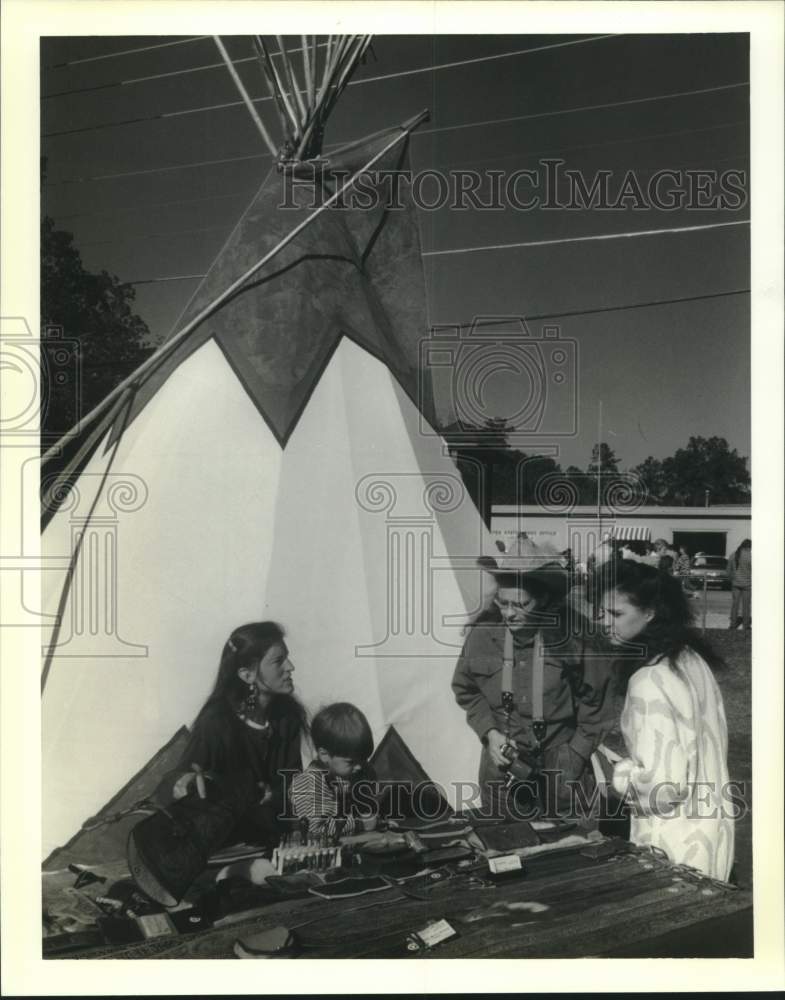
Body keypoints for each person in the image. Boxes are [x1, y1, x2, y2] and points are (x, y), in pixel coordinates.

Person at [598, 562, 734, 880]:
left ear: (650, 613)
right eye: (601, 612)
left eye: (616, 614)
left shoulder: (648, 680)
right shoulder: (690, 659)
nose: (603, 623)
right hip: (712, 828)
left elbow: (663, 787)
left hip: (671, 843)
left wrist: (620, 774)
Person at [452, 555, 615, 820]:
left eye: (520, 604)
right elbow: (466, 689)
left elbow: (598, 700)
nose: (509, 613)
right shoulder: (482, 635)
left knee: (572, 847)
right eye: (502, 603)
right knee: (505, 846)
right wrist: (490, 732)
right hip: (503, 766)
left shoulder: (573, 637)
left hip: (563, 762)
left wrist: (576, 753)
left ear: (543, 602)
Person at [156, 622, 308, 848]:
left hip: (274, 839)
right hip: (226, 844)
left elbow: (291, 781)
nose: (290, 667)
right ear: (247, 675)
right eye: (278, 661)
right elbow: (173, 784)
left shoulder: (288, 717)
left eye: (287, 658)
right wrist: (184, 782)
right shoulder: (218, 722)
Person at [290, 703, 378, 840]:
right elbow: (314, 831)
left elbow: (368, 809)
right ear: (324, 755)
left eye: (363, 759)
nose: (360, 766)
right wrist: (361, 823)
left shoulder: (351, 773)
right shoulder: (310, 783)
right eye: (351, 762)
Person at [728, 539, 752, 630]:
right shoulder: (751, 556)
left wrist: (732, 580)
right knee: (746, 606)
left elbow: (728, 571)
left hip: (735, 584)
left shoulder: (733, 555)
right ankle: (746, 625)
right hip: (748, 584)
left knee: (735, 605)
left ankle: (733, 624)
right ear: (749, 547)